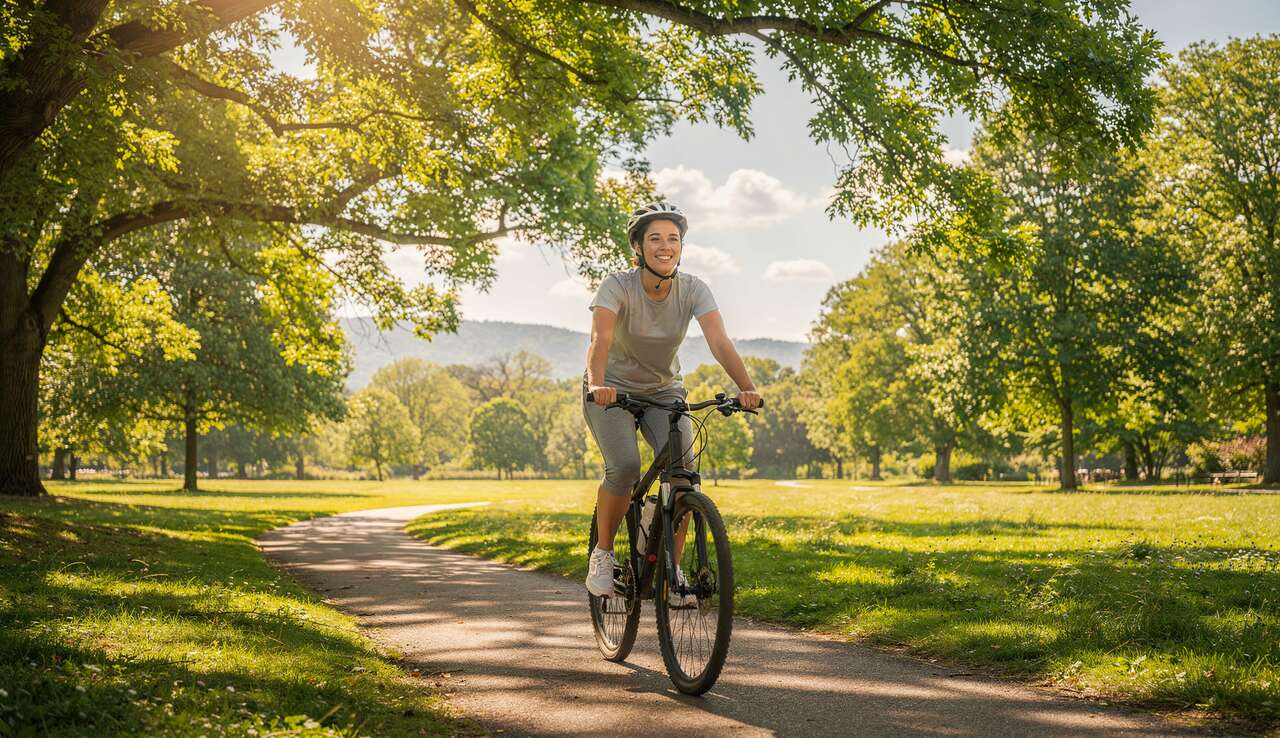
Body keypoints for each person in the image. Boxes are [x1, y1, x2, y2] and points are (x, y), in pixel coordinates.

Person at [581, 201, 762, 603]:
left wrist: (747, 387)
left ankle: (671, 574)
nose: (666, 246)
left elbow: (719, 341)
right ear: (639, 247)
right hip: (610, 389)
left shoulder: (693, 288)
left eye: (673, 239)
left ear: (681, 246)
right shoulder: (616, 286)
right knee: (625, 466)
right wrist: (597, 384)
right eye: (655, 238)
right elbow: (601, 341)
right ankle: (603, 554)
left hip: (664, 392)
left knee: (682, 477)